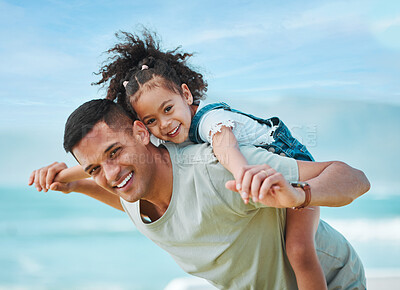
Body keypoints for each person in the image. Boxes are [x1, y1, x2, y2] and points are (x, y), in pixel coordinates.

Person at [44, 30, 325, 289]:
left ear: (186, 93)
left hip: (289, 164)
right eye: (152, 119)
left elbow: (226, 149)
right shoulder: (156, 144)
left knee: (299, 251)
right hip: (266, 177)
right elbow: (103, 168)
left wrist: (242, 175)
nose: (164, 124)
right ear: (143, 127)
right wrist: (68, 181)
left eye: (168, 109)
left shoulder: (210, 125)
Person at [29, 98, 370, 289]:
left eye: (115, 152)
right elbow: (142, 207)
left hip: (335, 283)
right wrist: (73, 183)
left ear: (141, 132)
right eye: (94, 169)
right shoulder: (132, 192)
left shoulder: (216, 168)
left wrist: (299, 196)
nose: (111, 174)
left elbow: (353, 177)